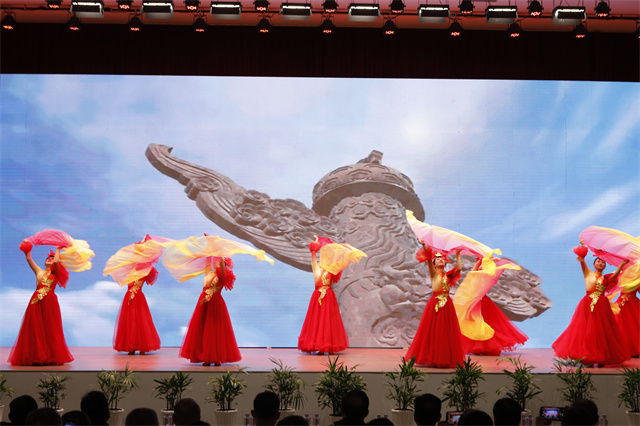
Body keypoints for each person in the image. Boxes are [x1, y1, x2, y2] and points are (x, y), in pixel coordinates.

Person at [552, 244, 630, 366]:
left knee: (603, 332)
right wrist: (583, 246)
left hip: (602, 306)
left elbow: (616, 274)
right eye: (598, 261)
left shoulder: (606, 278)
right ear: (594, 265)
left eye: (603, 262)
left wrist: (622, 264)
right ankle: (588, 356)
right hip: (588, 305)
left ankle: (602, 357)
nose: (600, 263)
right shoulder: (588, 273)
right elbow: (581, 260)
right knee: (588, 331)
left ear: (605, 266)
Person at [8, 243, 74, 366]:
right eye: (48, 258)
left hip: (50, 302)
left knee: (50, 328)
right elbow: (29, 259)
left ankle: (49, 356)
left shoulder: (57, 273)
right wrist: (27, 247)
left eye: (52, 258)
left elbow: (56, 262)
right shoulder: (39, 271)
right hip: (36, 301)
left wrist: (58, 250)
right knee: (35, 328)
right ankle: (35, 356)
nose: (50, 259)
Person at [298, 236, 365, 354]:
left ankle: (330, 347)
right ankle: (320, 347)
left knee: (329, 321)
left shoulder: (332, 269)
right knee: (318, 321)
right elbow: (313, 261)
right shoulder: (317, 269)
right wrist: (313, 251)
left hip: (328, 296)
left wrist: (348, 253)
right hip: (318, 296)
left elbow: (342, 262)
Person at [405, 243, 465, 368]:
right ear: (434, 264)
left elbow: (459, 269)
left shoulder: (448, 276)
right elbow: (428, 257)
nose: (441, 260)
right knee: (433, 331)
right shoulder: (434, 273)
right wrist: (423, 244)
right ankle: (430, 357)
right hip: (435, 303)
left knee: (445, 332)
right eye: (438, 259)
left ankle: (443, 357)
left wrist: (458, 255)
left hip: (447, 304)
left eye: (442, 258)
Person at [455, 258, 528, 356]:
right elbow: (473, 271)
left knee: (487, 323)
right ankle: (479, 347)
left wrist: (490, 260)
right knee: (474, 325)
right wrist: (481, 260)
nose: (480, 266)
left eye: (483, 265)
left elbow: (481, 272)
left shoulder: (486, 276)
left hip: (482, 303)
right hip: (474, 302)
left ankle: (487, 347)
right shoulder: (475, 274)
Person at [179, 256, 241, 366]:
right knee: (203, 329)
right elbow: (207, 264)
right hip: (204, 303)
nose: (215, 262)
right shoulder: (208, 273)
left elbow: (222, 268)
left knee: (215, 329)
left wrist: (220, 256)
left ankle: (216, 358)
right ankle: (206, 356)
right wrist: (209, 252)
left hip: (215, 304)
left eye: (218, 262)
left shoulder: (223, 276)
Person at [113, 265, 161, 355]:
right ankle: (131, 347)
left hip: (138, 299)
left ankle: (143, 346)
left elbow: (151, 269)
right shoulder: (128, 273)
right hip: (129, 299)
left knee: (141, 321)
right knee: (129, 321)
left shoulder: (144, 272)